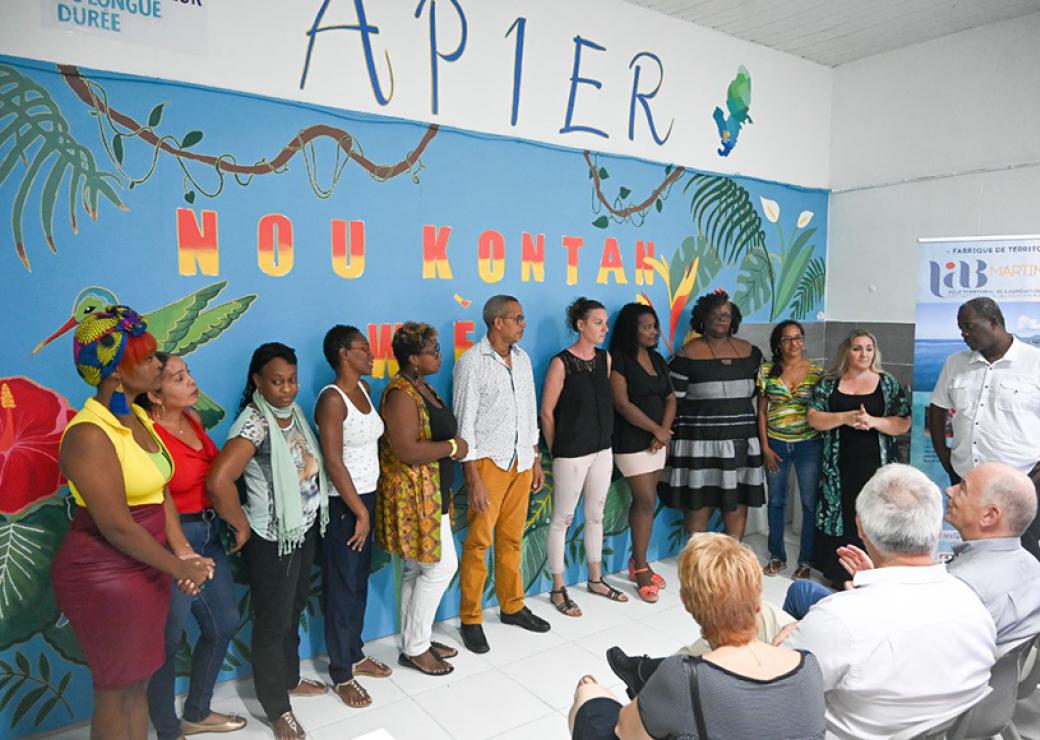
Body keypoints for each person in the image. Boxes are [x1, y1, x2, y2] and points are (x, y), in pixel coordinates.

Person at [52, 306, 212, 740]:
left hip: (148, 565)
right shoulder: (88, 434)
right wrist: (177, 567)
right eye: (148, 360)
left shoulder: (138, 418)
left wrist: (181, 551)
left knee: (140, 682)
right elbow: (116, 525)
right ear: (116, 376)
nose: (159, 365)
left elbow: (160, 493)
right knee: (115, 689)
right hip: (105, 573)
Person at [776, 464, 996, 740]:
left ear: (861, 528)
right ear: (936, 527)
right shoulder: (972, 603)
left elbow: (775, 688)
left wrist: (792, 633)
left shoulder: (838, 620)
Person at [568, 533, 826, 740]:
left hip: (659, 703)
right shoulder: (808, 665)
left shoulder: (683, 676)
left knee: (590, 697)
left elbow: (625, 731)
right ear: (758, 601)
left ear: (686, 603)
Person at [207, 343, 329, 740]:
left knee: (293, 610)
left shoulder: (289, 413)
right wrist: (240, 525)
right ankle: (277, 707)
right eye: (277, 382)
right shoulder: (254, 423)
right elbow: (219, 480)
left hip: (302, 528)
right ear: (257, 380)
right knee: (272, 623)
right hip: (273, 539)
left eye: (292, 380)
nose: (287, 389)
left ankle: (290, 679)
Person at [784, 462, 1040, 645]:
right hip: (987, 696)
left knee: (802, 592)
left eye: (962, 487)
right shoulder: (1032, 566)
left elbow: (896, 632)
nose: (949, 490)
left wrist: (862, 593)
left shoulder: (958, 588)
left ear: (989, 515)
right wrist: (876, 577)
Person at [140, 354, 246, 740]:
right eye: (178, 378)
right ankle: (168, 730)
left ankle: (196, 712)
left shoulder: (193, 420)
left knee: (224, 622)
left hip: (209, 532)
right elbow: (159, 498)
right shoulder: (146, 435)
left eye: (189, 374)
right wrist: (180, 555)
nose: (191, 382)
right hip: (171, 540)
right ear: (154, 393)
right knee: (165, 641)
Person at [453, 295, 549, 653]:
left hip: (522, 462)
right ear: (498, 322)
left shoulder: (523, 361)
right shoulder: (471, 363)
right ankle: (471, 618)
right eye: (518, 318)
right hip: (488, 464)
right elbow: (464, 424)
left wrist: (535, 457)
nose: (523, 324)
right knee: (479, 543)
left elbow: (529, 413)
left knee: (512, 540)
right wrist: (473, 478)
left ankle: (512, 606)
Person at [377, 323, 467, 676]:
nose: (439, 355)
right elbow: (406, 450)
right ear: (413, 358)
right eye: (432, 351)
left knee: (418, 569)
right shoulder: (400, 393)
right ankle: (416, 647)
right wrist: (452, 447)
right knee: (441, 567)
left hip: (432, 492)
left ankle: (417, 639)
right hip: (414, 497)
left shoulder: (421, 386)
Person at [314, 326, 391, 707]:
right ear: (344, 354)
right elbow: (332, 460)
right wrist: (359, 511)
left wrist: (368, 505)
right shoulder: (332, 399)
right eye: (364, 348)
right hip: (343, 506)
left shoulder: (364, 390)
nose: (371, 354)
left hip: (366, 498)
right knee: (342, 587)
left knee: (357, 581)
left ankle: (355, 654)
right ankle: (341, 672)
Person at [928, 297, 1040, 559]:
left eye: (969, 327)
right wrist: (948, 461)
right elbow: (937, 409)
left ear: (994, 323)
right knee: (974, 552)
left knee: (1025, 552)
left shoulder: (1034, 362)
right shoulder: (955, 363)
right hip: (968, 481)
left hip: (1023, 481)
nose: (964, 335)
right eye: (961, 329)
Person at [541, 297, 626, 617]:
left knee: (596, 514)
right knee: (562, 518)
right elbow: (547, 413)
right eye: (597, 322)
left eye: (605, 322)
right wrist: (556, 450)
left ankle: (595, 578)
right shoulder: (561, 363)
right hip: (570, 452)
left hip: (602, 449)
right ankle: (558, 587)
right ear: (580, 325)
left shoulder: (605, 359)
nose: (604, 328)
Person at [658, 289, 765, 539]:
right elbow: (674, 403)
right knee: (699, 500)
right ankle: (698, 561)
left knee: (737, 499)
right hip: (698, 442)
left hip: (742, 440)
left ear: (734, 319)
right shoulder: (685, 357)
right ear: (703, 319)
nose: (721, 319)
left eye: (726, 314)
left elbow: (761, 396)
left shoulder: (752, 354)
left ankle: (733, 556)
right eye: (715, 314)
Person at [807, 330, 911, 586]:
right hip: (838, 466)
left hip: (877, 465)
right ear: (846, 351)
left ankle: (874, 574)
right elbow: (813, 418)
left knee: (873, 516)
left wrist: (873, 421)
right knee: (839, 516)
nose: (863, 354)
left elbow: (903, 423)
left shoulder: (887, 383)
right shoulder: (828, 383)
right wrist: (845, 417)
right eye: (857, 348)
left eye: (869, 348)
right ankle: (840, 574)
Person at [608, 303, 676, 603]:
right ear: (631, 329)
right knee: (645, 500)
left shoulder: (658, 359)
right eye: (646, 326)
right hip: (632, 441)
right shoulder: (619, 361)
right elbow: (621, 404)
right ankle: (641, 568)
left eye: (655, 325)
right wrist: (655, 430)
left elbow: (671, 397)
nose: (653, 331)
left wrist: (663, 430)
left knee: (649, 501)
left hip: (657, 441)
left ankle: (639, 561)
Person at [757, 320, 824, 579]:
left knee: (809, 503)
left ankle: (806, 560)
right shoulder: (766, 371)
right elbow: (761, 411)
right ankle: (777, 556)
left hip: (809, 444)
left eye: (798, 337)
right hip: (775, 444)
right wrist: (764, 446)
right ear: (778, 344)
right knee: (776, 501)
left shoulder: (817, 371)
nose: (794, 343)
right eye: (787, 339)